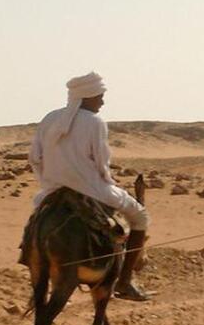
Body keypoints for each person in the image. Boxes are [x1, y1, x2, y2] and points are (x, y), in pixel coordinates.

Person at [28, 72, 151, 301]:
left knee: (38, 216)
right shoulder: (95, 122)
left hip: (53, 189)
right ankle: (124, 282)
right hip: (91, 189)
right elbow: (102, 162)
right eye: (100, 97)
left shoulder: (49, 119)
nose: (102, 102)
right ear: (87, 96)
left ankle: (32, 260)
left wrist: (50, 180)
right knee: (140, 217)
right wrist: (105, 180)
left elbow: (35, 157)